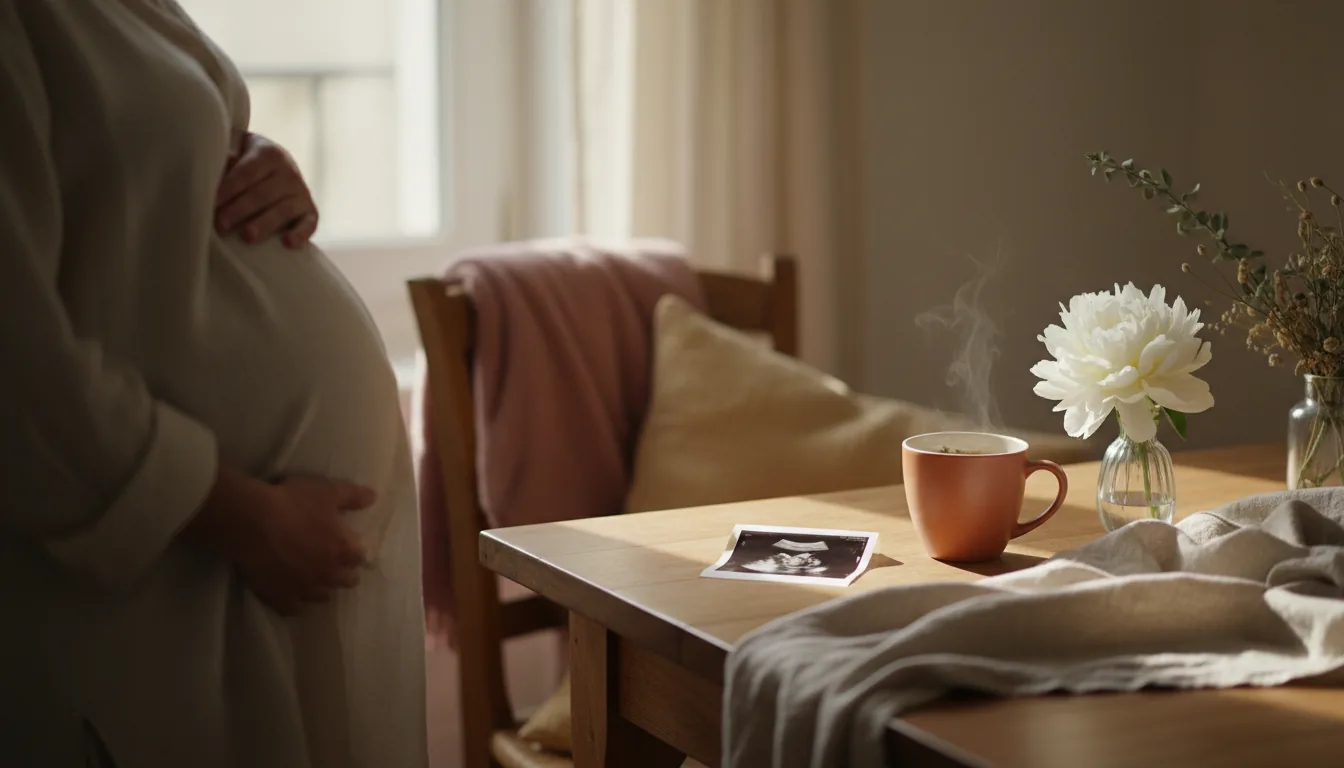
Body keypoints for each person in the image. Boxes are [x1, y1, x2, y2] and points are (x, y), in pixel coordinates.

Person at [0, 2, 427, 767]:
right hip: (140, 592)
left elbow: (126, 168)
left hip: (227, 585)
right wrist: (245, 515)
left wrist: (246, 158)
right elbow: (16, 370)